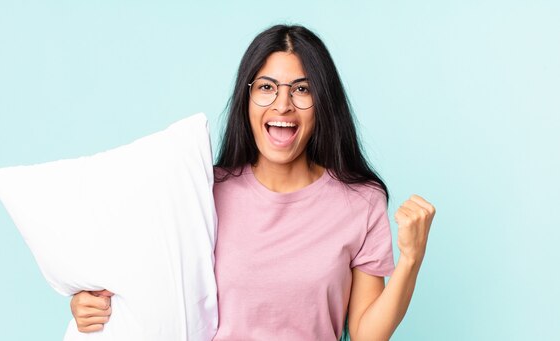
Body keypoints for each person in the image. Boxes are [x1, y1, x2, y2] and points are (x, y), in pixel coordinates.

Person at [70, 24, 435, 340]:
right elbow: (147, 282)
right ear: (247, 99)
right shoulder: (203, 189)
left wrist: (411, 260)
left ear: (323, 104)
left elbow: (368, 335)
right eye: (266, 87)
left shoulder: (360, 202)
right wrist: (90, 303)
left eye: (302, 90)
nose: (282, 105)